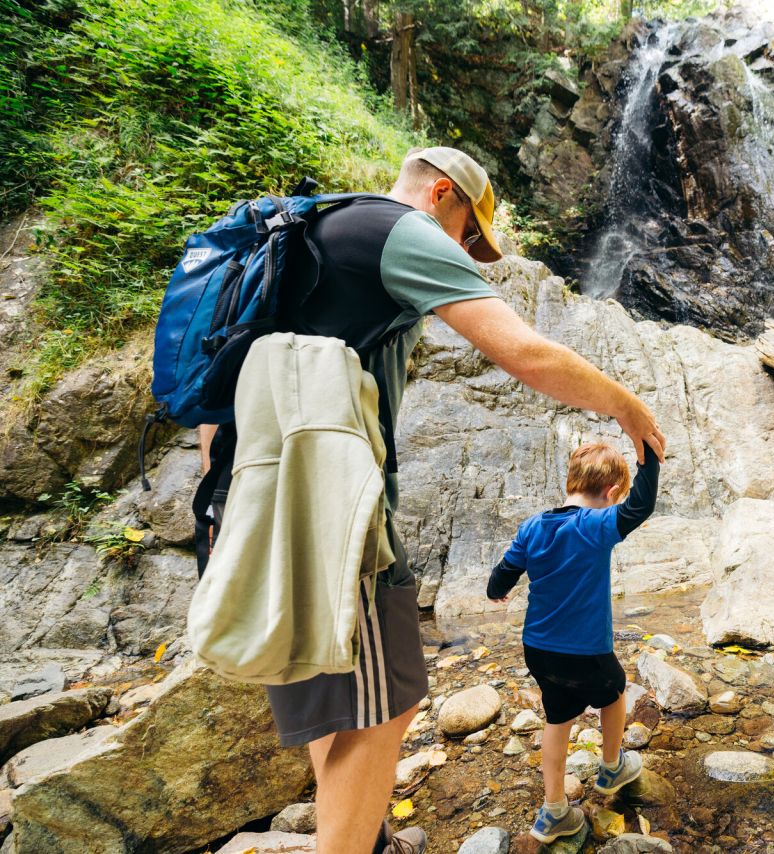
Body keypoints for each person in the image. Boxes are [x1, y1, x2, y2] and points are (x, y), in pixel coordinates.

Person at [197, 147, 667, 854]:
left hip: (241, 495)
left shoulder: (307, 234)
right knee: (388, 701)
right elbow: (526, 353)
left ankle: (365, 837)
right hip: (323, 508)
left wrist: (229, 511)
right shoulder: (401, 231)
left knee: (327, 693)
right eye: (469, 234)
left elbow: (217, 380)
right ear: (441, 194)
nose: (468, 253)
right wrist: (628, 407)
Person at [485, 441, 659, 843]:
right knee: (614, 689)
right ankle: (612, 767)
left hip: (539, 650)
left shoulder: (532, 527)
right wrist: (649, 455)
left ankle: (554, 811)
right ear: (612, 494)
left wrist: (498, 591)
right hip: (585, 651)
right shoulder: (593, 526)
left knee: (558, 716)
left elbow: (503, 574)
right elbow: (640, 507)